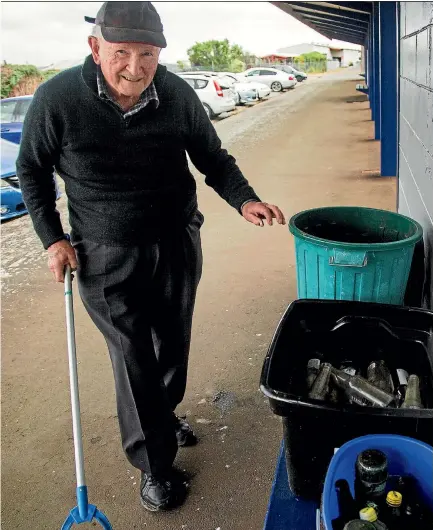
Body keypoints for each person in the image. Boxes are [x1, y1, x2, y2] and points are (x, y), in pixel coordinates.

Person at [17, 1, 285, 512]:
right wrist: (53, 238)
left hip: (176, 241)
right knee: (133, 356)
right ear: (96, 48)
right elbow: (32, 171)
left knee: (172, 342)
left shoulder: (176, 93)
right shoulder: (58, 99)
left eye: (148, 54)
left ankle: (164, 414)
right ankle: (154, 464)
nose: (135, 68)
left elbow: (212, 157)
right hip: (102, 253)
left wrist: (245, 198)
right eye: (122, 53)